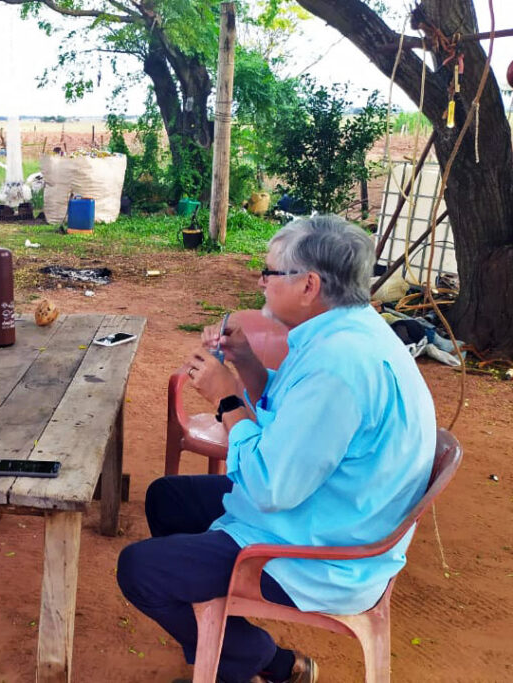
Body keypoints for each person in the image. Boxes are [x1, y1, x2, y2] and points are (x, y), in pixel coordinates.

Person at [117, 215, 436, 683]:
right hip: (331, 508)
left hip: (325, 550)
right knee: (167, 497)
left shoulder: (339, 366)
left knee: (140, 570)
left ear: (308, 284)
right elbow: (291, 421)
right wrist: (245, 364)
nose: (259, 281)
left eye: (269, 273)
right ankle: (220, 641)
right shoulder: (344, 333)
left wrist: (226, 399)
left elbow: (271, 488)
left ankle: (264, 660)